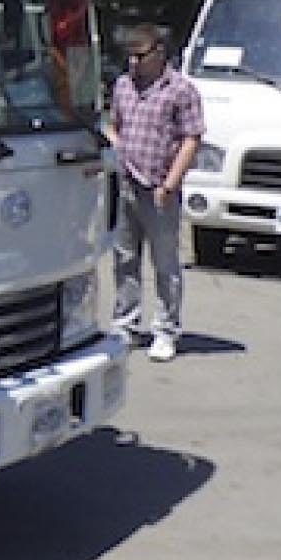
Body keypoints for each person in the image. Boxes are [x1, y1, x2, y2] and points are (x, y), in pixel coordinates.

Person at [109, 23, 205, 362]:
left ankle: (166, 329)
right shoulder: (123, 85)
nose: (133, 62)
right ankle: (126, 323)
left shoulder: (181, 90)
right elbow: (114, 126)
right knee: (124, 259)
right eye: (130, 56)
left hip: (159, 187)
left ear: (159, 53)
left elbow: (192, 139)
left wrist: (170, 184)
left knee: (165, 263)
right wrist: (116, 150)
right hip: (125, 185)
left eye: (140, 55)